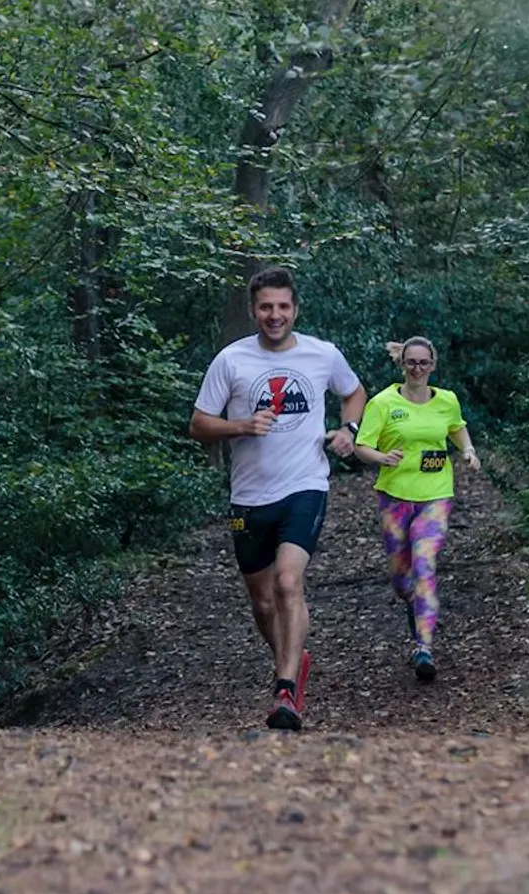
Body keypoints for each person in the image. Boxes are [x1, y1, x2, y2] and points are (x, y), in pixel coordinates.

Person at [190, 267, 366, 732]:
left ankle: (285, 689)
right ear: (253, 311)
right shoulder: (231, 361)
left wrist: (349, 431)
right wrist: (241, 426)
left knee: (289, 583)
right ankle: (294, 655)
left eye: (283, 307)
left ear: (295, 309)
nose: (274, 315)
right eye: (266, 307)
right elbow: (199, 425)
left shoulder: (321, 354)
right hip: (248, 499)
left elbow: (354, 393)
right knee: (263, 603)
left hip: (305, 485)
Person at [352, 337, 479, 684]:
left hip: (436, 496)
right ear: (402, 364)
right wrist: (381, 457)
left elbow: (456, 428)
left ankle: (423, 647)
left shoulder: (446, 400)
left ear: (433, 365)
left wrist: (468, 450)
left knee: (424, 564)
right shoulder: (383, 403)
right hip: (394, 498)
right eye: (411, 362)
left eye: (424, 363)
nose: (418, 369)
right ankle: (415, 605)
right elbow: (362, 446)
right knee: (402, 578)